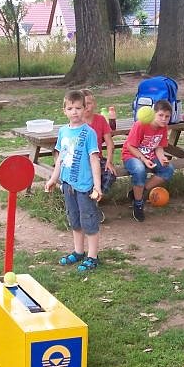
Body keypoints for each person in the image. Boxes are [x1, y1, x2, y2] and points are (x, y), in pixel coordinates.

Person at [44, 90, 103, 272]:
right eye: (70, 108)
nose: (74, 112)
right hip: (68, 185)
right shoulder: (63, 131)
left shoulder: (89, 133)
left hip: (85, 186)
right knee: (74, 220)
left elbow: (94, 159)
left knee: (89, 221)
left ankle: (93, 256)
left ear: (85, 109)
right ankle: (78, 252)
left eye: (78, 108)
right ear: (64, 111)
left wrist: (97, 186)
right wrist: (54, 179)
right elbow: (61, 158)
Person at [122, 98, 175, 222]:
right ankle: (138, 204)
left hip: (150, 156)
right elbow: (130, 146)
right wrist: (144, 159)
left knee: (168, 169)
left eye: (167, 116)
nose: (164, 119)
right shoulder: (141, 124)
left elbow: (159, 147)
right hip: (131, 155)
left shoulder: (163, 127)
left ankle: (139, 192)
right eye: (160, 115)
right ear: (153, 113)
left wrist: (162, 158)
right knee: (139, 170)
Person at [80, 88, 118, 196]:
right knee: (84, 176)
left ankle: (96, 196)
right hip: (81, 159)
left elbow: (110, 143)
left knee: (110, 174)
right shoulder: (76, 121)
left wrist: (109, 161)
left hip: (97, 158)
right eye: (83, 104)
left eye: (89, 103)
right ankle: (85, 198)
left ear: (94, 104)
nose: (86, 106)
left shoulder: (100, 119)